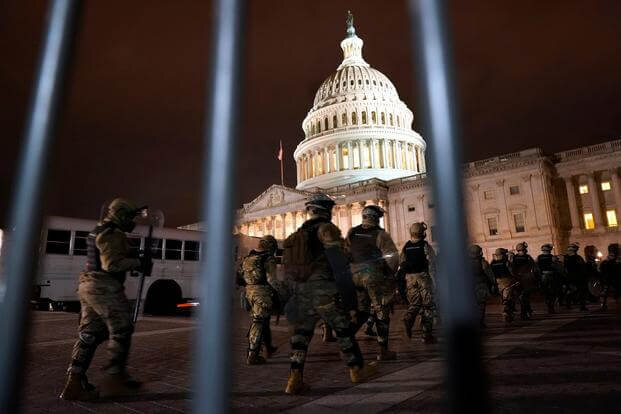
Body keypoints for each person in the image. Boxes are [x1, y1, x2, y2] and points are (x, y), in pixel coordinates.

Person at [283, 194, 376, 394]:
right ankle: (356, 369)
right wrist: (350, 296)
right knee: (343, 329)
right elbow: (339, 263)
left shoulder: (300, 232)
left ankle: (294, 378)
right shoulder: (327, 229)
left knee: (301, 335)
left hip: (303, 290)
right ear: (327, 210)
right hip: (324, 288)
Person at [60, 198, 149, 401]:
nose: (131, 221)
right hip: (104, 286)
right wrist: (138, 262)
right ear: (120, 215)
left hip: (88, 285)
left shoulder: (99, 229)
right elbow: (111, 265)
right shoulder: (113, 233)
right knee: (122, 328)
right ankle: (115, 378)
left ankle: (74, 383)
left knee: (89, 334)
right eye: (128, 216)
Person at [346, 205, 399, 360]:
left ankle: (346, 341)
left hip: (354, 274)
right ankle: (383, 351)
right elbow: (393, 258)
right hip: (372, 274)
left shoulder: (352, 232)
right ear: (376, 218)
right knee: (381, 311)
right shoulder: (380, 234)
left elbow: (346, 252)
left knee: (361, 311)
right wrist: (389, 275)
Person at [236, 235, 279, 365]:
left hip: (249, 293)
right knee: (259, 322)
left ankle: (268, 348)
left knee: (262, 320)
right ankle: (252, 355)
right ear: (271, 246)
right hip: (262, 294)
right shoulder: (268, 258)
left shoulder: (248, 258)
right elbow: (272, 280)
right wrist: (279, 292)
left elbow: (239, 278)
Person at [399, 222, 437, 344]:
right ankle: (427, 335)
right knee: (428, 306)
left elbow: (402, 262)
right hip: (423, 277)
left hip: (410, 278)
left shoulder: (406, 246)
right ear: (423, 233)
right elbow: (432, 263)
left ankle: (408, 318)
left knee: (414, 304)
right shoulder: (425, 245)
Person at [469, 245, 498, 328]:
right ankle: (480, 322)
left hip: (470, 285)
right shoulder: (482, 262)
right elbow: (490, 274)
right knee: (481, 305)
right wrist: (494, 284)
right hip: (480, 285)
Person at [508, 242, 538, 320]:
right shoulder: (527, 257)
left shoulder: (514, 258)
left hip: (517, 279)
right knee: (525, 297)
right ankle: (524, 313)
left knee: (521, 296)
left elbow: (511, 268)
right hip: (526, 279)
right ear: (524, 249)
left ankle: (526, 311)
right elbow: (534, 268)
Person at [490, 248, 519, 323]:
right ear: (503, 255)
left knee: (502, 299)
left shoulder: (492, 263)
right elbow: (511, 271)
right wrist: (516, 279)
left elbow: (491, 274)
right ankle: (507, 314)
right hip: (507, 281)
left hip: (498, 282)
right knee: (509, 298)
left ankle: (507, 313)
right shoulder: (506, 262)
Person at [536, 244, 562, 314]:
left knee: (545, 292)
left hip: (543, 276)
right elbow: (557, 267)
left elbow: (536, 267)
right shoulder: (553, 257)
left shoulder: (539, 257)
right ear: (549, 250)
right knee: (553, 291)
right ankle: (551, 306)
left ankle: (549, 305)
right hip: (551, 276)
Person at [561, 243, 587, 311]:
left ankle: (581, 305)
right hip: (572, 277)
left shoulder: (577, 257)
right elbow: (564, 269)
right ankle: (569, 304)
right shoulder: (567, 258)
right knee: (573, 291)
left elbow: (583, 267)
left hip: (578, 277)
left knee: (580, 291)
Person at [598, 243, 620, 310]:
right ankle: (604, 304)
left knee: (609, 291)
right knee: (608, 291)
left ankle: (605, 304)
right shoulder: (611, 259)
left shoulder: (611, 259)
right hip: (611, 277)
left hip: (612, 277)